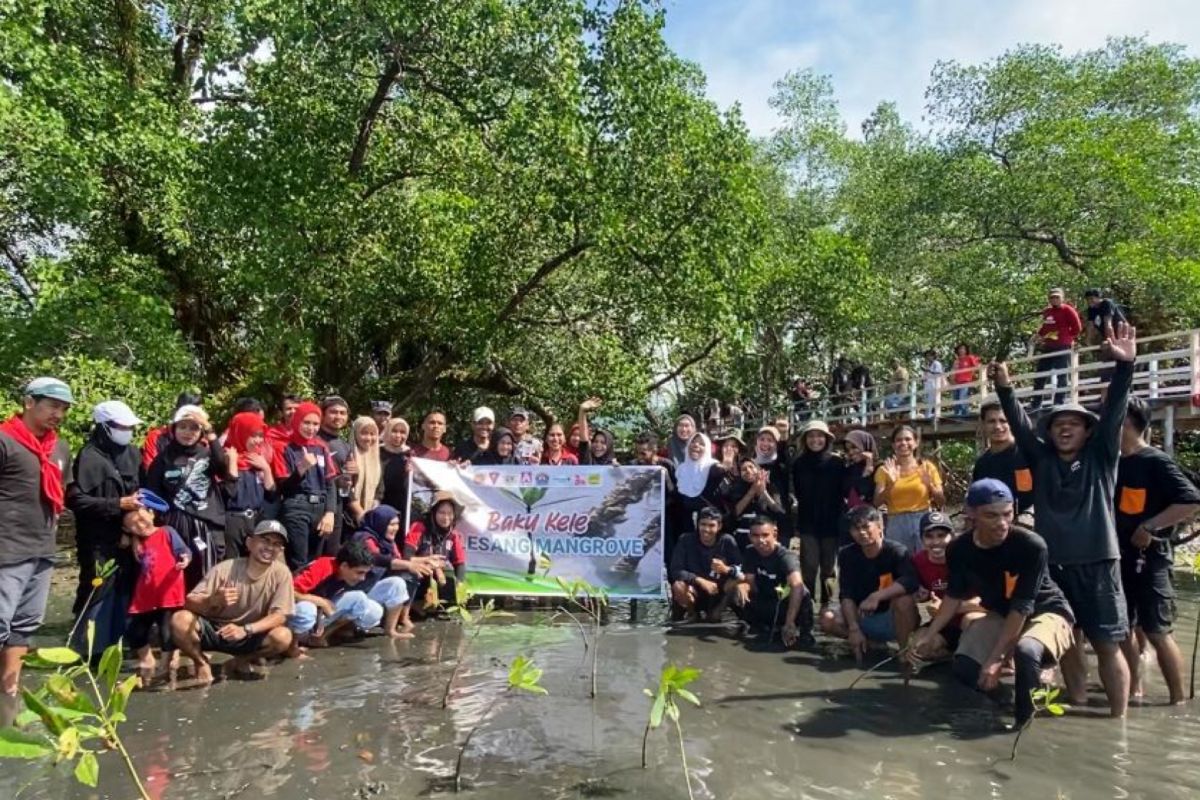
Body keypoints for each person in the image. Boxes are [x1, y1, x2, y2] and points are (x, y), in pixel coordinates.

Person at [992, 320, 1137, 717]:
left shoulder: (1102, 456)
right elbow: (1020, 428)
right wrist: (1005, 388)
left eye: (1073, 424)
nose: (1065, 430)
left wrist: (1125, 367)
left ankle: (1118, 721)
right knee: (1067, 639)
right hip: (1054, 568)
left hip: (1099, 563)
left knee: (1108, 642)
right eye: (1058, 425)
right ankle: (1075, 706)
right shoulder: (1042, 460)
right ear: (1051, 433)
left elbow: (1115, 412)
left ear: (1087, 432)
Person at [912, 479, 1075, 727]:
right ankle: (1006, 702)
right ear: (971, 514)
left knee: (1026, 650)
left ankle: (1022, 726)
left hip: (1045, 610)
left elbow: (1022, 607)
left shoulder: (1031, 546)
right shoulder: (959, 549)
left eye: (1007, 514)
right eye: (991, 516)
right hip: (1001, 613)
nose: (1002, 524)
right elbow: (953, 597)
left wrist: (996, 659)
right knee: (964, 667)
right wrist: (929, 633)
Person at [1115, 398, 1200, 704]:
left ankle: (1178, 701)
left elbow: (1190, 500)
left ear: (1128, 422)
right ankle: (1135, 687)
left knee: (1156, 630)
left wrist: (1149, 527)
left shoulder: (1155, 461)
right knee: (1123, 626)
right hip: (1118, 558)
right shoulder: (1113, 461)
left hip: (1150, 560)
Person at [0, 377, 73, 695]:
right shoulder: (5, 440)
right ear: (29, 402)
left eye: (64, 408)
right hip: (6, 548)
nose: (59, 414)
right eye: (53, 406)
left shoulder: (59, 447)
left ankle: (9, 690)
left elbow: (61, 495)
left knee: (25, 625)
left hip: (42, 549)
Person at [170, 519, 295, 684]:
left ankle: (242, 659)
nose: (270, 547)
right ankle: (200, 661)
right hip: (215, 629)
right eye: (265, 540)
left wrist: (246, 629)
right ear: (249, 543)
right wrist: (212, 600)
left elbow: (280, 616)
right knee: (180, 619)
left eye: (276, 544)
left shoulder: (282, 573)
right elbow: (189, 603)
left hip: (248, 633)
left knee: (283, 636)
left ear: (280, 550)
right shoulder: (225, 568)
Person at [66, 400, 142, 615]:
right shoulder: (88, 457)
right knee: (96, 589)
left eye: (129, 427)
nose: (127, 431)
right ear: (104, 426)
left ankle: (119, 641)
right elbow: (76, 500)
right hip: (97, 540)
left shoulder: (133, 454)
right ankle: (85, 643)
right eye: (121, 427)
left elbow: (142, 491)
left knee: (127, 589)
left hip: (129, 536)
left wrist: (131, 532)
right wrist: (117, 504)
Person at [144, 405, 230, 588]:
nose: (187, 432)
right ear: (174, 428)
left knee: (207, 577)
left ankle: (204, 615)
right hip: (175, 525)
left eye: (194, 427)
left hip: (204, 524)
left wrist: (209, 430)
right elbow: (152, 494)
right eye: (182, 427)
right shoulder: (163, 458)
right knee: (175, 576)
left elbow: (222, 466)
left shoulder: (207, 455)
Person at [819, 506, 919, 662]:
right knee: (827, 618)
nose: (862, 533)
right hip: (862, 616)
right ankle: (869, 642)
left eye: (866, 527)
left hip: (891, 617)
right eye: (856, 529)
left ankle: (903, 652)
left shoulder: (896, 551)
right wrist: (853, 628)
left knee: (904, 601)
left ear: (880, 527)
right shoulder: (847, 554)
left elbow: (910, 581)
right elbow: (846, 594)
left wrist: (877, 596)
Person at [288, 540, 411, 649]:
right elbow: (287, 592)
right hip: (296, 616)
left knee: (365, 603)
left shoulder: (348, 574)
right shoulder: (323, 567)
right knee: (307, 609)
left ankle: (321, 637)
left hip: (320, 616)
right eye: (359, 573)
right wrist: (319, 601)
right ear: (344, 566)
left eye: (365, 573)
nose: (362, 578)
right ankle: (293, 646)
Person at [122, 507, 190, 681]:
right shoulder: (136, 542)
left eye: (141, 519)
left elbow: (184, 550)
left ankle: (168, 661)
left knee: (167, 631)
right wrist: (134, 537)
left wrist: (185, 559)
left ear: (152, 514)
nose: (139, 525)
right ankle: (147, 659)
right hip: (145, 595)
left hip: (169, 592)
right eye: (133, 525)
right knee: (134, 628)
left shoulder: (167, 531)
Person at [909, 511, 984, 662]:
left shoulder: (968, 559)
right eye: (929, 536)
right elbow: (922, 593)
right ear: (922, 539)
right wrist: (920, 596)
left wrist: (946, 608)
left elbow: (985, 602)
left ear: (953, 536)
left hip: (971, 617)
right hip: (944, 623)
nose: (936, 542)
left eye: (941, 535)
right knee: (916, 648)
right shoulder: (918, 561)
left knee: (970, 621)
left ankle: (971, 656)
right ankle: (949, 653)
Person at [354, 505, 439, 637]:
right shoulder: (364, 538)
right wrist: (409, 565)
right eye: (391, 524)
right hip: (356, 590)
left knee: (398, 582)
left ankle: (391, 630)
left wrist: (426, 560)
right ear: (381, 523)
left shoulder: (388, 542)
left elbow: (399, 559)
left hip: (371, 587)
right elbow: (377, 558)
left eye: (397, 524)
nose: (395, 528)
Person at [272, 401, 338, 570]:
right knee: (299, 562)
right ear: (296, 421)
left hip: (320, 507)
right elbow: (283, 487)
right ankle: (297, 594)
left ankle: (310, 594)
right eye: (306, 423)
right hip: (297, 507)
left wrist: (330, 513)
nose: (311, 428)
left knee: (315, 561)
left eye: (315, 424)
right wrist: (301, 469)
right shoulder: (284, 447)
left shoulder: (321, 447)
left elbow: (330, 483)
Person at [727, 518, 812, 645]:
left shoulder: (786, 556)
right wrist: (742, 585)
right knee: (734, 587)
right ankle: (753, 624)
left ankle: (803, 633)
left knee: (803, 592)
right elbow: (749, 580)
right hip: (763, 599)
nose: (761, 540)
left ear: (775, 534)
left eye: (765, 535)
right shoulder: (750, 552)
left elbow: (797, 585)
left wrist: (790, 621)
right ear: (750, 537)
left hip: (783, 605)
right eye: (755, 536)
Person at [792, 420, 844, 607]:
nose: (816, 440)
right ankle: (806, 606)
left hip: (831, 521)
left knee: (829, 569)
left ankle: (827, 605)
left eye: (819, 436)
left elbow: (844, 491)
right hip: (808, 522)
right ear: (805, 440)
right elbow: (797, 492)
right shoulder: (798, 463)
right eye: (811, 436)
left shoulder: (837, 462)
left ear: (826, 439)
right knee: (809, 566)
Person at [873, 425, 943, 554]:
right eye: (899, 440)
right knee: (899, 563)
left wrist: (930, 485)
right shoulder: (884, 470)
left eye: (908, 439)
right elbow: (877, 502)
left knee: (926, 560)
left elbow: (941, 501)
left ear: (916, 443)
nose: (903, 443)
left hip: (923, 518)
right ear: (893, 445)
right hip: (896, 521)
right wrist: (891, 484)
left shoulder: (927, 467)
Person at [669, 508, 742, 622]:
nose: (706, 529)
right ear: (697, 524)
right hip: (695, 591)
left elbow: (741, 569)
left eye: (711, 525)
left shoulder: (727, 541)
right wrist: (700, 581)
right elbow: (675, 570)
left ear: (719, 526)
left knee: (737, 582)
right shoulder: (685, 540)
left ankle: (717, 614)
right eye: (703, 524)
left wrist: (726, 569)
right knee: (678, 585)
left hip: (719, 591)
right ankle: (692, 614)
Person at [222, 411, 276, 558]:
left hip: (256, 520)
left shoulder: (258, 459)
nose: (258, 440)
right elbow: (229, 493)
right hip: (233, 521)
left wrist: (266, 469)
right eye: (254, 436)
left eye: (261, 436)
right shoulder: (225, 457)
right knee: (232, 567)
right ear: (241, 433)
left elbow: (271, 495)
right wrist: (232, 463)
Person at [971, 399, 1034, 518]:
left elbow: (1027, 499)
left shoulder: (1026, 455)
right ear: (982, 424)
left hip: (1026, 523)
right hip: (990, 526)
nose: (998, 427)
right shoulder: (982, 463)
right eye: (991, 421)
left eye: (1003, 421)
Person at [405, 492, 467, 611]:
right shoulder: (419, 527)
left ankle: (439, 609)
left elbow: (460, 563)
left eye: (449, 513)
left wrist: (460, 585)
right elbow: (406, 557)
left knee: (453, 583)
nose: (446, 518)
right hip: (417, 575)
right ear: (433, 513)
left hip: (438, 579)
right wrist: (431, 564)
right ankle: (412, 608)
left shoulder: (454, 535)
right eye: (441, 513)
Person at [1031, 288, 1083, 409]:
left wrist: (1068, 338)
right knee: (1040, 374)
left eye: (1057, 297)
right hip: (1048, 346)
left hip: (1062, 345)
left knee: (1062, 374)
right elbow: (1044, 327)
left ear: (1062, 298)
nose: (1054, 299)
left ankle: (1059, 401)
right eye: (1052, 297)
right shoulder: (1047, 311)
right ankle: (1036, 402)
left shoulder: (1067, 310)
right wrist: (1038, 336)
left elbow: (1077, 327)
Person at [722, 458, 786, 549]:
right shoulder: (736, 489)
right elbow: (734, 513)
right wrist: (752, 491)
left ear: (758, 470)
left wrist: (764, 492)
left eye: (751, 467)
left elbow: (779, 512)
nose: (748, 471)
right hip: (743, 537)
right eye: (744, 469)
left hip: (765, 537)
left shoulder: (771, 487)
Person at [318, 396, 355, 554]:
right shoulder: (315, 440)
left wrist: (354, 475)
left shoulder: (345, 445)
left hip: (339, 506)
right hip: (318, 507)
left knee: (331, 556)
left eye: (342, 413)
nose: (338, 416)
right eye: (333, 412)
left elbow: (346, 480)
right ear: (323, 414)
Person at [674, 433, 726, 536]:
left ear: (707, 449)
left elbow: (721, 471)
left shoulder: (712, 467)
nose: (696, 445)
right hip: (684, 527)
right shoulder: (681, 469)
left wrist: (726, 463)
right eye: (693, 442)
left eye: (701, 444)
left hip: (708, 529)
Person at [141, 391, 201, 472]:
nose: (187, 431)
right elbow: (150, 469)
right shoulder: (157, 437)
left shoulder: (203, 439)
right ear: (175, 413)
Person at [346, 416, 382, 530]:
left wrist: (372, 512)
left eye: (372, 434)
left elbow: (379, 490)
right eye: (364, 433)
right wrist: (359, 512)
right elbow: (343, 488)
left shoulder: (377, 459)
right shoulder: (347, 455)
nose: (368, 438)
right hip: (347, 517)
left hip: (369, 517)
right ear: (355, 433)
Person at [379, 417, 412, 512]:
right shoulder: (377, 451)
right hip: (378, 501)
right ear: (387, 431)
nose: (398, 435)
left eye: (402, 432)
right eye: (394, 431)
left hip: (401, 504)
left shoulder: (410, 454)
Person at [841, 430, 877, 515]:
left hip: (871, 521)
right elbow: (847, 493)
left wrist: (867, 472)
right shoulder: (850, 470)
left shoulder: (880, 468)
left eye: (854, 447)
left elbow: (865, 495)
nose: (851, 452)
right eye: (847, 449)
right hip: (852, 520)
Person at [950, 344, 981, 417]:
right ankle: (957, 416)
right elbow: (952, 372)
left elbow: (977, 366)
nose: (961, 350)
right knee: (956, 399)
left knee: (962, 398)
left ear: (966, 350)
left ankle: (965, 415)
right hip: (956, 382)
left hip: (965, 381)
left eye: (963, 349)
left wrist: (972, 374)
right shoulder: (956, 360)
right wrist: (952, 381)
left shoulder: (969, 357)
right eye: (960, 349)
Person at [921, 350, 944, 417]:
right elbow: (925, 376)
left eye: (929, 355)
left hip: (935, 385)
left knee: (935, 401)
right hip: (928, 386)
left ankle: (936, 416)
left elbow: (939, 373)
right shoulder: (927, 365)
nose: (928, 357)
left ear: (933, 356)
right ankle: (928, 416)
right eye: (927, 356)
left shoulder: (937, 363)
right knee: (928, 402)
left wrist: (928, 370)